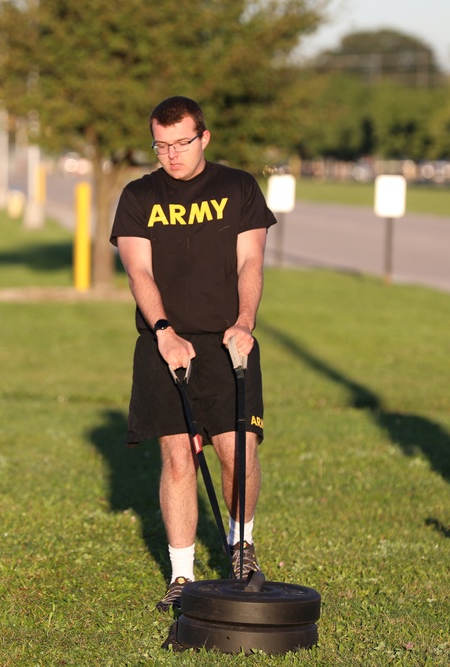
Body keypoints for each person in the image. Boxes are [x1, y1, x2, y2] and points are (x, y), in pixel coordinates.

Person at [109, 96, 276, 612]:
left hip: (228, 340)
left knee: (239, 452)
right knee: (179, 458)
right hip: (165, 341)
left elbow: (250, 261)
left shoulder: (238, 187)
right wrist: (163, 331)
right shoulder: (139, 195)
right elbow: (139, 271)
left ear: (204, 137)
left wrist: (244, 324)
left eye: (181, 143)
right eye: (161, 146)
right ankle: (181, 576)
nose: (171, 155)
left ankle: (240, 545)